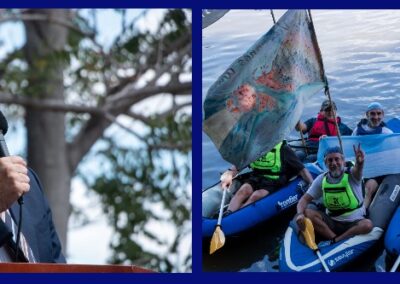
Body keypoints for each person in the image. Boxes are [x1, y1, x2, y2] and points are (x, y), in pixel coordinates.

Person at [295, 145, 373, 245]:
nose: (334, 163)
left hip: (354, 222)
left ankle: (338, 240)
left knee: (367, 225)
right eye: (330, 160)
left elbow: (358, 170)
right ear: (326, 163)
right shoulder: (321, 179)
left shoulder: (352, 174)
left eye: (337, 159)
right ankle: (333, 237)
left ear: (343, 161)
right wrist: (300, 214)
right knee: (308, 213)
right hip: (332, 221)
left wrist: (360, 162)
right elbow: (304, 200)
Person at [220, 141, 314, 215]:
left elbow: (302, 170)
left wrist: (312, 186)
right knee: (243, 190)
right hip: (257, 176)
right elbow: (238, 165)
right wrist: (229, 173)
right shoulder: (252, 148)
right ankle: (228, 213)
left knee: (256, 195)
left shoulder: (282, 148)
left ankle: (236, 217)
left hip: (274, 179)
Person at [352, 102, 393, 208]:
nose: (376, 117)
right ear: (367, 115)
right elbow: (349, 147)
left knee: (369, 188)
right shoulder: (357, 131)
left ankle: (361, 212)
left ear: (383, 115)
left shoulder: (387, 133)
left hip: (378, 170)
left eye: (379, 114)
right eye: (373, 114)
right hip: (362, 167)